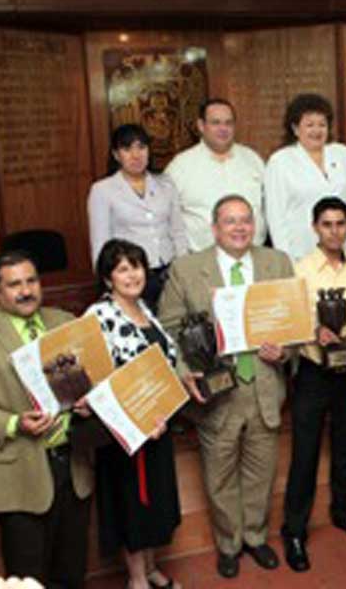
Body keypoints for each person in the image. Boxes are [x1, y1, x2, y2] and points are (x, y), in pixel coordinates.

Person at [158, 195, 294, 579]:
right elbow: (167, 330)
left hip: (265, 386)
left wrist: (285, 351)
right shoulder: (187, 269)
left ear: (255, 226)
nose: (239, 228)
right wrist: (185, 372)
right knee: (219, 476)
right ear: (214, 228)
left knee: (261, 472)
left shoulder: (277, 262)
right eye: (230, 221)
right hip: (218, 392)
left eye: (246, 220)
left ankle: (255, 537)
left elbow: (295, 322)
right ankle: (229, 544)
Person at [0, 251, 93, 588]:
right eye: (14, 285)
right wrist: (13, 424)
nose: (26, 291)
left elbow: (89, 380)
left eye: (31, 281)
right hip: (18, 473)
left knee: (72, 572)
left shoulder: (64, 321)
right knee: (28, 578)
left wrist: (88, 403)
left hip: (73, 466)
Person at [86, 239, 202, 589]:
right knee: (133, 507)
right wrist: (135, 421)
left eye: (136, 266)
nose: (132, 274)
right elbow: (97, 378)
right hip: (127, 433)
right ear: (108, 278)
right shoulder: (98, 315)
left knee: (155, 503)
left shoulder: (145, 310)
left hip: (158, 425)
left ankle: (151, 568)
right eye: (122, 268)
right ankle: (137, 580)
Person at [280, 198, 346, 572]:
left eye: (340, 224)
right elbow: (292, 317)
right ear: (314, 228)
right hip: (314, 371)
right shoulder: (301, 269)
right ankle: (295, 530)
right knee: (305, 453)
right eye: (327, 224)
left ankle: (345, 511)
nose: (334, 231)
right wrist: (312, 330)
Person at [88, 123, 188, 309]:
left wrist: (182, 270)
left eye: (141, 147)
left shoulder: (165, 184)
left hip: (169, 273)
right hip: (130, 276)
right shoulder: (102, 190)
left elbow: (178, 231)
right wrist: (108, 283)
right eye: (127, 149)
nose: (136, 155)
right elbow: (100, 243)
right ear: (116, 155)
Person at [265, 93, 346, 260]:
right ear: (295, 128)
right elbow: (276, 218)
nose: (317, 130)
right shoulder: (280, 162)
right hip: (302, 253)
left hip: (345, 252)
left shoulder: (344, 154)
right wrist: (287, 261)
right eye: (310, 125)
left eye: (322, 124)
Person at [165, 98, 267, 252]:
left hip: (254, 256)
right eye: (216, 123)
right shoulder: (180, 167)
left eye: (228, 123)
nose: (223, 128)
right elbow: (167, 217)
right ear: (201, 126)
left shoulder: (252, 160)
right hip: (202, 263)